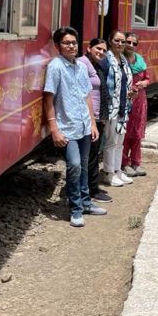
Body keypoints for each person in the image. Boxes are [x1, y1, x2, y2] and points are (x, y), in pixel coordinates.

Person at [43, 27, 107, 227]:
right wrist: (54, 129)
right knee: (74, 166)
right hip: (67, 126)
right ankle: (76, 208)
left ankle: (86, 202)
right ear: (57, 46)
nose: (71, 46)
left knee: (85, 165)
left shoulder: (80, 66)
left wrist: (93, 123)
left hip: (85, 126)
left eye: (73, 42)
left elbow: (87, 96)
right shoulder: (55, 67)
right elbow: (48, 99)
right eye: (66, 43)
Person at [77, 38, 113, 203]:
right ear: (89, 48)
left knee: (93, 154)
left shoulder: (95, 64)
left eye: (104, 51)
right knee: (90, 155)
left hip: (97, 116)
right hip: (89, 117)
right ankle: (91, 190)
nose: (101, 52)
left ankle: (91, 187)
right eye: (98, 49)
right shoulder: (82, 64)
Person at [99, 29, 133, 187]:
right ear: (110, 41)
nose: (120, 44)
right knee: (111, 141)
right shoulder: (106, 60)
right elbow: (104, 86)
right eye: (117, 41)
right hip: (112, 107)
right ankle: (108, 173)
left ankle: (118, 170)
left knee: (120, 141)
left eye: (123, 41)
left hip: (123, 107)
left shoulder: (124, 60)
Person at [121, 33, 151, 177]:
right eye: (128, 42)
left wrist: (143, 83)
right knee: (125, 133)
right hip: (125, 100)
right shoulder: (119, 60)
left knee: (137, 133)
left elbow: (147, 78)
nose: (131, 45)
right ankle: (124, 163)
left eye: (134, 43)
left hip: (140, 100)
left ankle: (136, 162)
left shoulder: (140, 60)